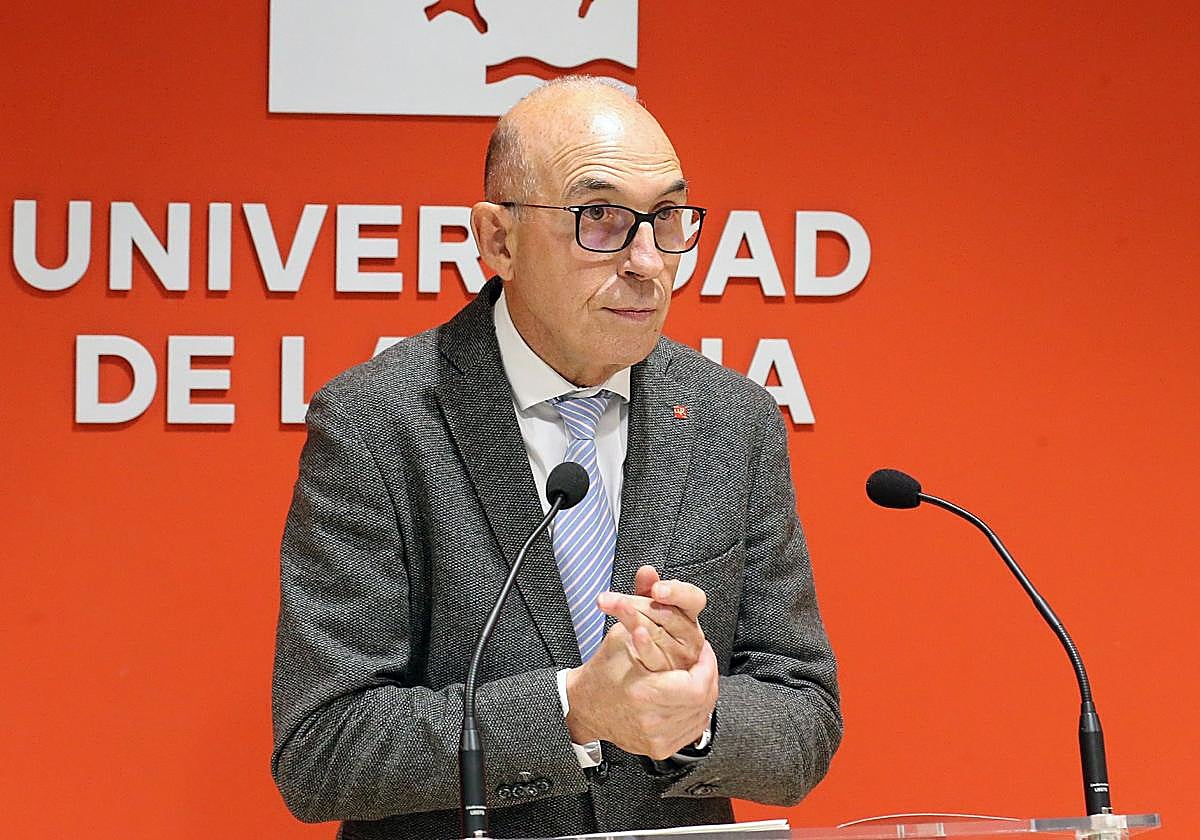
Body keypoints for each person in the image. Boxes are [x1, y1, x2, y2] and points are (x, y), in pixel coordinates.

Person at [271, 76, 841, 840]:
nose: (648, 261)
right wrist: (571, 710)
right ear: (498, 240)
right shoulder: (378, 422)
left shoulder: (731, 420)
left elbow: (806, 717)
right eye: (600, 217)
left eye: (667, 217)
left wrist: (700, 717)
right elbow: (322, 749)